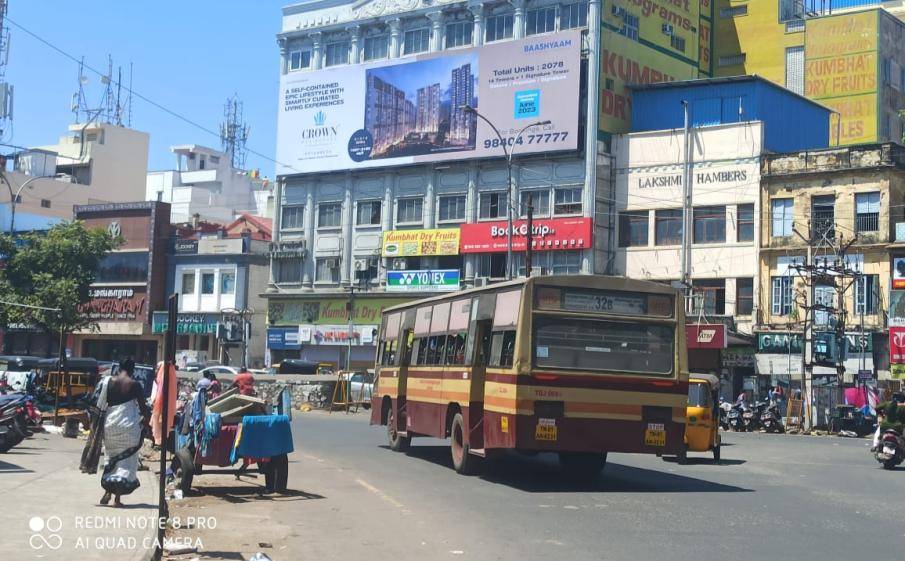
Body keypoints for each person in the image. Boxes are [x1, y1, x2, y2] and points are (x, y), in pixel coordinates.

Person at [93, 358, 151, 507]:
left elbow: (98, 402)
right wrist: (147, 420)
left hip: (110, 424)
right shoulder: (134, 384)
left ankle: (107, 491)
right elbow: (143, 408)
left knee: (111, 458)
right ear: (132, 369)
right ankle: (117, 499)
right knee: (125, 462)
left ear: (119, 367)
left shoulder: (108, 382)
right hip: (128, 426)